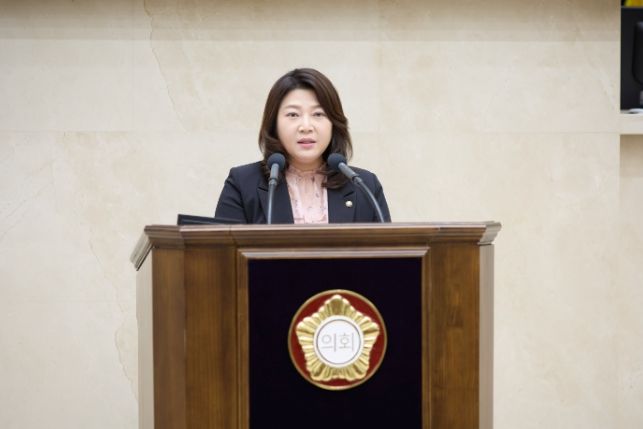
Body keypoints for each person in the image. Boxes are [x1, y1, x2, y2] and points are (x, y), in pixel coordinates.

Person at [214, 68, 391, 224]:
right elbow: (224, 250)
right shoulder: (242, 183)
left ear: (333, 123)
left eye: (318, 114)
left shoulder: (365, 186)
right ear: (274, 124)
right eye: (293, 115)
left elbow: (387, 250)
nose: (306, 126)